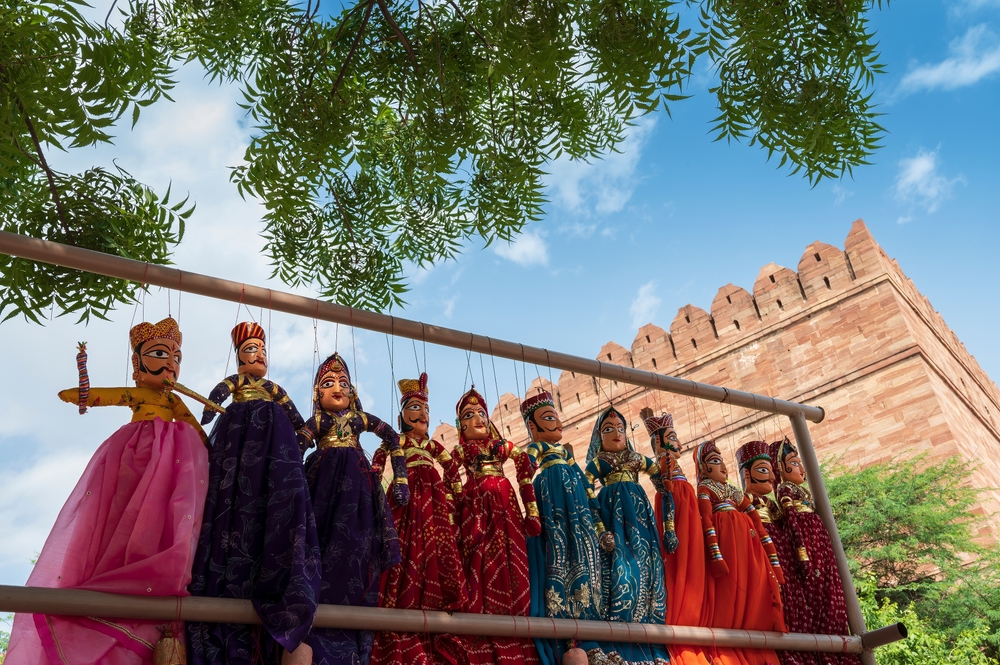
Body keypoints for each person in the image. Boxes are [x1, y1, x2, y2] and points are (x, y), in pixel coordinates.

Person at [8, 317, 209, 665]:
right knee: (126, 511)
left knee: (170, 512)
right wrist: (80, 385)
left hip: (175, 461)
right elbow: (103, 396)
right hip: (134, 454)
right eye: (160, 353)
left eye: (176, 357)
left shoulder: (177, 411)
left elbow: (198, 430)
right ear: (137, 365)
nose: (170, 363)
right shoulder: (138, 396)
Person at [187, 322, 320, 665]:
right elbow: (216, 394)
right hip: (241, 432)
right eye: (251, 350)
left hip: (274, 439)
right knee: (233, 487)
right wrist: (207, 409)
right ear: (238, 357)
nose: (258, 355)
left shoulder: (273, 390)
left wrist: (305, 434)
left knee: (279, 487)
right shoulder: (238, 385)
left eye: (262, 350)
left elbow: (295, 415)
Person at [298, 352, 409, 665]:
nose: (337, 388)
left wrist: (400, 477)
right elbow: (295, 447)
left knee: (360, 549)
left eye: (343, 383)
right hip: (321, 484)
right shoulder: (318, 421)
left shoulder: (360, 420)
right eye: (328, 383)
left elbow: (391, 436)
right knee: (317, 546)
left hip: (360, 491)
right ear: (317, 393)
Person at [370, 372, 466, 665]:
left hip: (434, 498)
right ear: (401, 414)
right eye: (414, 407)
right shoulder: (397, 439)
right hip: (405, 492)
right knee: (404, 543)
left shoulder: (431, 446)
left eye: (425, 409)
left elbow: (450, 468)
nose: (422, 413)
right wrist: (372, 485)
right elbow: (378, 459)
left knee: (437, 548)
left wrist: (454, 497)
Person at [451, 387, 541, 665]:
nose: (478, 418)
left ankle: (516, 616)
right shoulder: (461, 450)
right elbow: (450, 479)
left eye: (481, 413)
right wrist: (455, 513)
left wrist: (532, 511)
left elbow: (524, 464)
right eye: (469, 415)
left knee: (513, 556)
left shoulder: (500, 446)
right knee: (480, 559)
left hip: (505, 501)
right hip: (474, 505)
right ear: (460, 427)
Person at [523, 390, 613, 665]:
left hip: (578, 507)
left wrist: (599, 527)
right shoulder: (539, 451)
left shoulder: (567, 455)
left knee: (588, 561)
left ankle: (590, 634)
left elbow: (586, 488)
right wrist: (532, 512)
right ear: (532, 427)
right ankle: (571, 640)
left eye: (556, 415)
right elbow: (525, 474)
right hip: (552, 497)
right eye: (548, 417)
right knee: (558, 554)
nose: (557, 422)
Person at [585, 405, 669, 665]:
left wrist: (671, 526)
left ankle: (652, 638)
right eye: (608, 429)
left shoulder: (637, 460)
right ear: (599, 438)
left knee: (651, 568)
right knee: (620, 569)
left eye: (621, 428)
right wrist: (600, 531)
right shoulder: (599, 463)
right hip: (612, 514)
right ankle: (619, 640)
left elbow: (665, 488)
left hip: (641, 516)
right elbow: (587, 494)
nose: (616, 434)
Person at [694, 441, 784, 665]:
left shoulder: (733, 492)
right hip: (727, 546)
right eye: (715, 461)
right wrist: (715, 555)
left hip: (750, 548)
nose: (723, 466)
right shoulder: (706, 489)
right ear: (703, 469)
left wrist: (773, 562)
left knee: (755, 589)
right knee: (729, 594)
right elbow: (705, 521)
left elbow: (758, 523)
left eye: (722, 460)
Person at [772, 439, 861, 665]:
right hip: (806, 535)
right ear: (781, 469)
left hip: (817, 535)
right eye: (794, 463)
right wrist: (801, 550)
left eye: (800, 463)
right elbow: (790, 520)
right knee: (815, 584)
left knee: (829, 584)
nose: (801, 469)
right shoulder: (785, 489)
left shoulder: (801, 491)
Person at [641, 410, 711, 665]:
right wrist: (669, 528)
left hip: (685, 503)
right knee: (684, 561)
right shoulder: (666, 463)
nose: (679, 443)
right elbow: (667, 496)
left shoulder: (674, 464)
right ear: (659, 443)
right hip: (677, 507)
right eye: (672, 437)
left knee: (693, 557)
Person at [735, 441, 812, 665]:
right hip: (765, 552)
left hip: (783, 553)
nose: (770, 476)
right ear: (746, 474)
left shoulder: (772, 502)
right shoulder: (746, 502)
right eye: (762, 470)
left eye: (770, 470)